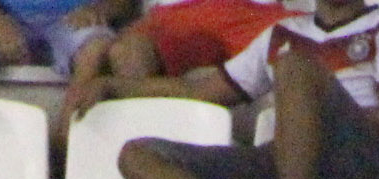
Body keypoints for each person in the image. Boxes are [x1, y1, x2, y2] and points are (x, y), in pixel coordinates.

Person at [119, 0, 379, 179]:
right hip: (285, 164)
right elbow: (204, 92)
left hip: (354, 172)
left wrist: (312, 115)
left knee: (293, 65)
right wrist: (113, 87)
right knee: (138, 154)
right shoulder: (281, 33)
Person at [60, 0, 293, 143]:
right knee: (125, 52)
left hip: (253, 9)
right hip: (175, 12)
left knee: (308, 48)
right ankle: (149, 151)